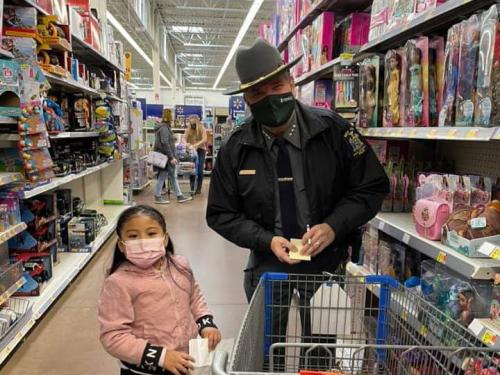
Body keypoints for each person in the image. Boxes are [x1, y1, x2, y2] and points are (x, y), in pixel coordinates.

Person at [206, 39, 389, 369]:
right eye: (257, 94)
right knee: (266, 351)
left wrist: (333, 227)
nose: (270, 98)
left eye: (277, 86)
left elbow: (371, 187)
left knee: (319, 354)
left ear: (292, 82)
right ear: (246, 100)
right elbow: (220, 213)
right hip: (268, 266)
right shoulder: (235, 148)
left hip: (325, 264)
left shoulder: (334, 131)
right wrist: (265, 239)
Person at [98, 205, 221, 375]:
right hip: (145, 370)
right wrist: (161, 357)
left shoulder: (180, 265)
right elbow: (113, 337)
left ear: (164, 238)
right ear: (121, 245)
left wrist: (206, 325)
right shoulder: (119, 282)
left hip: (184, 361)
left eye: (151, 233)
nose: (143, 241)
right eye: (133, 236)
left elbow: (194, 298)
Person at [154, 109, 192, 204]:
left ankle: (178, 195)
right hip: (166, 157)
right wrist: (171, 157)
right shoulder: (164, 128)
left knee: (169, 176)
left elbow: (165, 142)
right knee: (166, 176)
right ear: (169, 117)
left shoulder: (164, 127)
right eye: (172, 115)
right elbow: (165, 143)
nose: (173, 117)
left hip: (165, 156)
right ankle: (159, 196)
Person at [183, 116, 207, 195]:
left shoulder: (201, 128)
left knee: (200, 169)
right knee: (192, 169)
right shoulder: (188, 129)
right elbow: (184, 138)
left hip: (201, 150)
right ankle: (192, 187)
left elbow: (205, 139)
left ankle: (198, 188)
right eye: (191, 124)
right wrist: (186, 143)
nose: (192, 125)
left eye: (193, 124)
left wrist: (197, 144)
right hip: (192, 150)